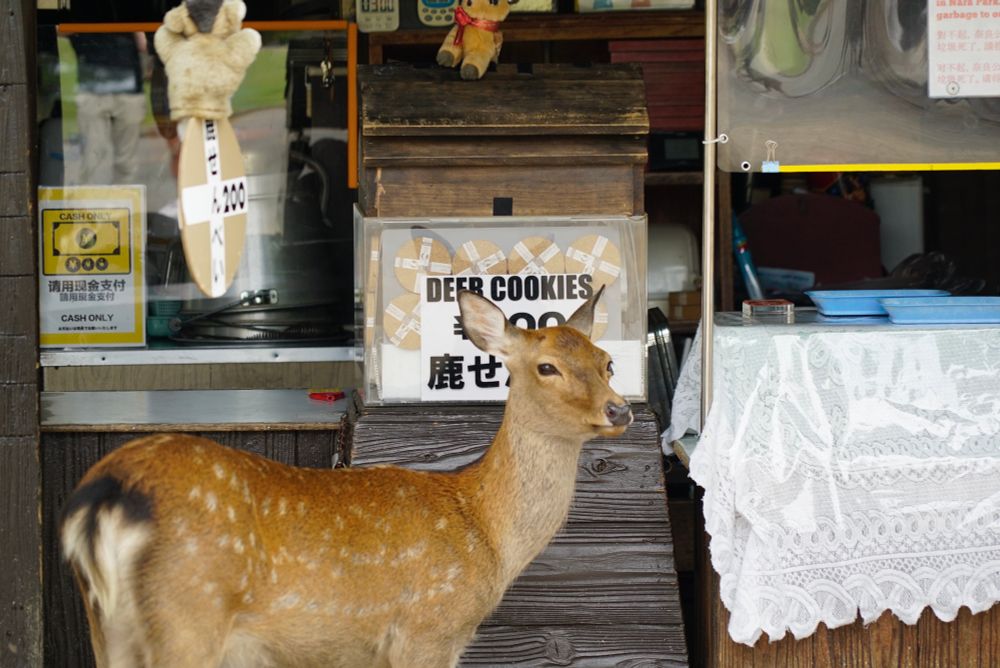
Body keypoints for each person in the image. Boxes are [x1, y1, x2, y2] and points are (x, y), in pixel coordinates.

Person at [69, 32, 149, 185]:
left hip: (127, 85)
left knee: (124, 160)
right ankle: (89, 205)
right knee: (93, 157)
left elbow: (143, 44)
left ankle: (124, 204)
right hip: (93, 84)